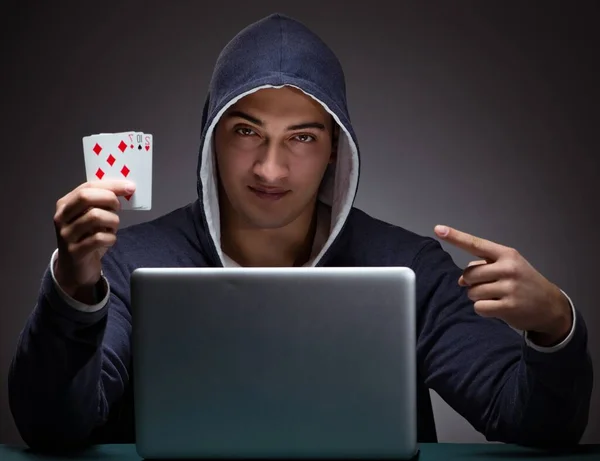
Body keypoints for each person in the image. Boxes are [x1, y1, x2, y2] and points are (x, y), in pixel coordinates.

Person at [9, 13, 593, 452]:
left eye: (303, 137)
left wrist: (554, 326)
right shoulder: (125, 262)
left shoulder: (408, 264)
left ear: (336, 149)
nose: (270, 168)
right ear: (212, 136)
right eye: (247, 131)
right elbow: (52, 429)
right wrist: (72, 285)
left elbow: (534, 426)